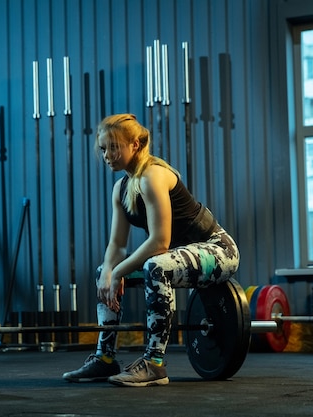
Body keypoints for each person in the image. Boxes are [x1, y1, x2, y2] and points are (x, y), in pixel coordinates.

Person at [62, 113, 240, 387]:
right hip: (178, 258)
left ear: (135, 144)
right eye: (103, 149)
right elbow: (117, 244)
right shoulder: (121, 188)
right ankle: (104, 358)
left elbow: (160, 242)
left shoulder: (152, 176)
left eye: (114, 147)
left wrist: (120, 270)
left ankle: (154, 363)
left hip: (218, 251)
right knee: (103, 271)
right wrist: (110, 272)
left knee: (154, 266)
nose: (108, 155)